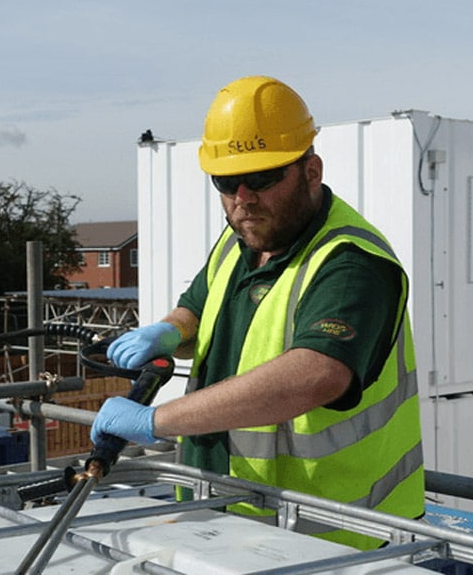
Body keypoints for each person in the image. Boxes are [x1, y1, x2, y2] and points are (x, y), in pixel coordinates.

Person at [91, 75, 424, 550]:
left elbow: (316, 374)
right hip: (229, 515)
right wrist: (167, 332)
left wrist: (155, 421)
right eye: (226, 182)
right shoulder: (244, 237)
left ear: (311, 170)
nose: (243, 198)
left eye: (263, 179)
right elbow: (196, 311)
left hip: (335, 538)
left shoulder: (351, 263)